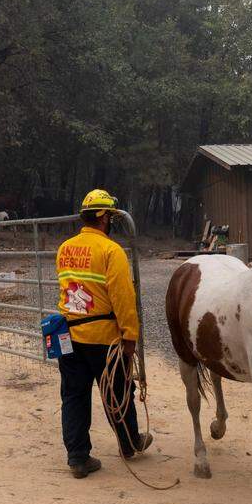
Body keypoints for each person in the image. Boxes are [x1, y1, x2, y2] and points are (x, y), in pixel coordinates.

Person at [55, 189, 153, 478]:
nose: (111, 220)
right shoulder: (111, 252)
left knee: (74, 396)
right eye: (110, 215)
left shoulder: (65, 248)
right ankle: (129, 443)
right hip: (103, 339)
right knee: (119, 392)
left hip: (69, 335)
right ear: (104, 217)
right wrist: (130, 337)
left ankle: (78, 458)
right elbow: (123, 298)